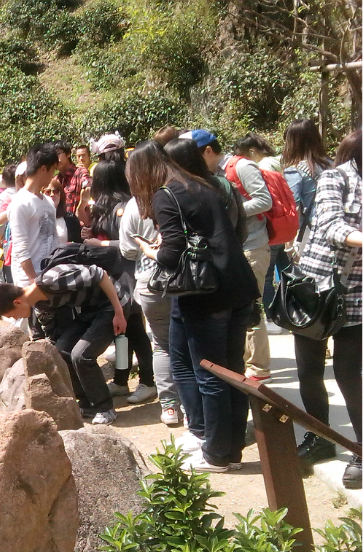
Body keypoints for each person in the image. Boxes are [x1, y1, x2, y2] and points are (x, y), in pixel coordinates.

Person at [129, 140, 259, 472]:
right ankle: (230, 449)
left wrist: (149, 250)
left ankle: (216, 454)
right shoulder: (202, 184)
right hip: (237, 285)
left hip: (207, 294)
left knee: (210, 374)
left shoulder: (166, 194)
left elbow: (171, 254)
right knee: (233, 371)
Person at [291, 130, 362, 488]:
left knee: (349, 374)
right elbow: (332, 225)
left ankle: (361, 450)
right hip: (316, 291)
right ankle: (319, 437)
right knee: (309, 371)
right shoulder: (336, 178)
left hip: (357, 295)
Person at [0, 261, 128, 426]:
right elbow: (52, 337)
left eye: (12, 315)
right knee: (61, 352)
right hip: (89, 312)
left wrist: (119, 312)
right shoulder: (40, 305)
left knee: (81, 355)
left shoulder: (53, 280)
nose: (15, 318)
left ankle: (105, 408)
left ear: (17, 302)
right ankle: (87, 403)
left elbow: (100, 274)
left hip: (113, 306)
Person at [81, 160, 157, 405]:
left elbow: (128, 245)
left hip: (126, 276)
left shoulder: (123, 208)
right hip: (112, 278)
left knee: (135, 331)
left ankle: (148, 381)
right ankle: (121, 380)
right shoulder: (104, 207)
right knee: (121, 333)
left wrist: (99, 244)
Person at [119, 193, 182, 426]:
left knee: (158, 344)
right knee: (185, 342)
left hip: (145, 282)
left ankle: (166, 403)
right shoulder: (176, 194)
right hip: (182, 279)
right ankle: (189, 404)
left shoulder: (132, 205)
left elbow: (126, 250)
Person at [229, 134, 275, 381]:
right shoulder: (228, 169)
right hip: (242, 248)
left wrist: (230, 209)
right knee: (244, 307)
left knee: (253, 308)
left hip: (253, 247)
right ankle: (250, 363)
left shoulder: (243, 166)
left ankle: (259, 368)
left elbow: (264, 201)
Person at [279, 119, 331, 308]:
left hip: (308, 236)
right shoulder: (332, 164)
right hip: (333, 231)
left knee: (307, 287)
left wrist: (289, 245)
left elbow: (292, 209)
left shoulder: (295, 171)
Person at [8, 145, 59, 290]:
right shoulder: (20, 203)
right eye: (52, 170)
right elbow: (21, 248)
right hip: (28, 283)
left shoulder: (49, 202)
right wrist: (35, 282)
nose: (53, 176)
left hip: (50, 277)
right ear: (43, 169)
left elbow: (54, 240)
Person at [52, 141, 92, 217]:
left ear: (68, 154)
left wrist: (80, 209)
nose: (55, 159)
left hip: (79, 223)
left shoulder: (80, 172)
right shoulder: (55, 180)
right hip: (61, 222)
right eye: (52, 156)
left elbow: (89, 186)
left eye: (58, 154)